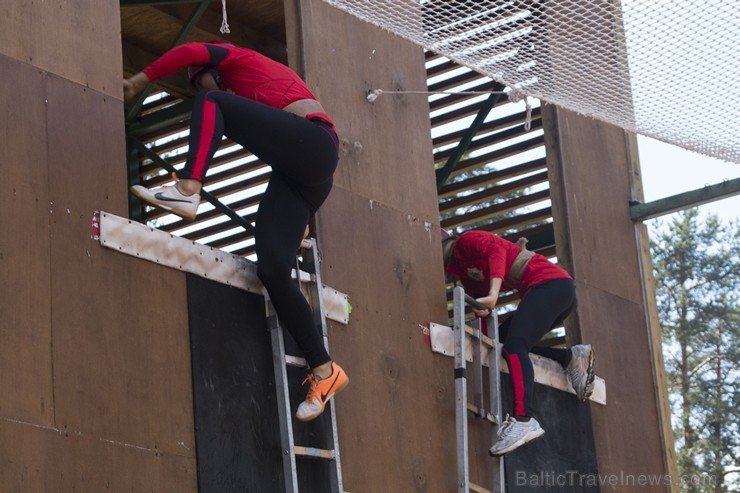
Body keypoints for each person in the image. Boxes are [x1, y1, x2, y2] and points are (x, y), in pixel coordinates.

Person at [123, 40, 348, 422]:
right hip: (302, 174)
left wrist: (140, 80)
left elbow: (191, 50)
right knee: (273, 269)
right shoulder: (245, 92)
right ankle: (325, 371)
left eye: (201, 83)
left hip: (315, 145)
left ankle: (188, 189)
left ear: (211, 71)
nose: (206, 90)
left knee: (213, 107)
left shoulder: (239, 60)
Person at [441, 230, 595, 456]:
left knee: (514, 346)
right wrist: (474, 342)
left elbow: (497, 251)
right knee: (505, 343)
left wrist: (493, 294)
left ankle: (523, 419)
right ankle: (568, 358)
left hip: (551, 286)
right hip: (555, 290)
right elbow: (484, 317)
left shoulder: (467, 241)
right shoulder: (465, 274)